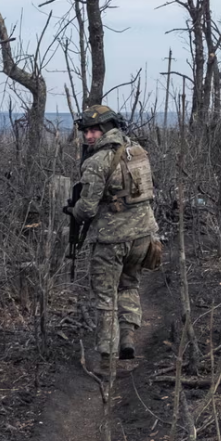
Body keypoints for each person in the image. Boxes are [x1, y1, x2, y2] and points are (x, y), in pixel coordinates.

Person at [67, 104, 159, 366]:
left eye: (94, 131)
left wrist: (73, 210)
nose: (88, 136)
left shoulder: (96, 162)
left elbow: (86, 209)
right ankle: (128, 337)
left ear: (106, 130)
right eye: (86, 131)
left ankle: (108, 357)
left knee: (106, 295)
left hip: (111, 238)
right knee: (129, 284)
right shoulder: (137, 151)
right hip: (143, 234)